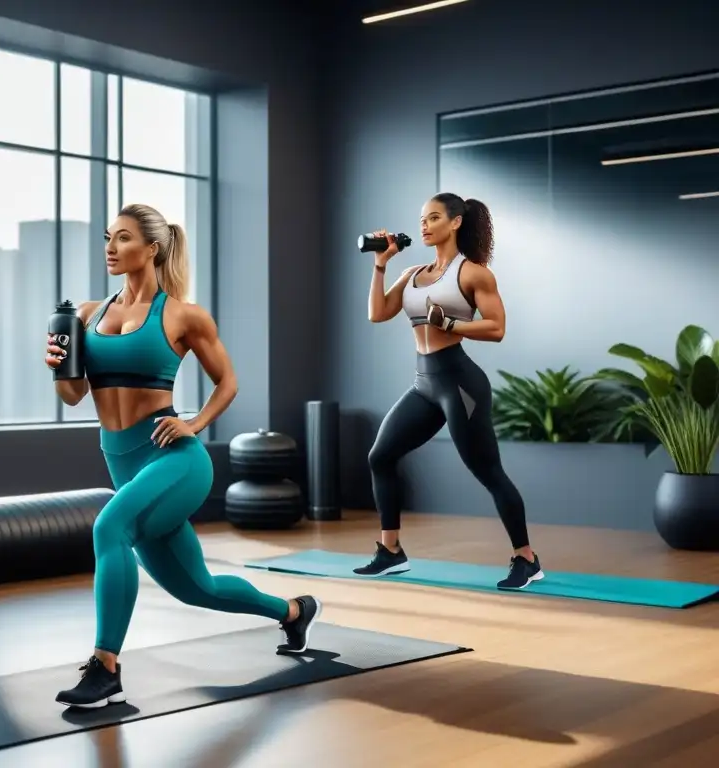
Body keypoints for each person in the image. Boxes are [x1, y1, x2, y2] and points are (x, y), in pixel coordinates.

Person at [46, 203, 321, 709]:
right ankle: (293, 611)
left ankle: (105, 668)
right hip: (123, 461)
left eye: (123, 238)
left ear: (151, 248)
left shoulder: (182, 315)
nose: (110, 246)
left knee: (109, 529)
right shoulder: (87, 315)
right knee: (197, 589)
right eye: (108, 237)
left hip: (176, 460)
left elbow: (228, 381)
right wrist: (59, 366)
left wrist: (193, 423)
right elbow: (73, 397)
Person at [356, 192, 543, 591]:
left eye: (433, 218)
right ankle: (390, 552)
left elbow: (496, 328)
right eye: (421, 218)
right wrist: (380, 265)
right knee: (380, 456)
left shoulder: (473, 273)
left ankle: (526, 559)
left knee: (488, 472)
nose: (424, 225)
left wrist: (453, 325)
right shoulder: (412, 273)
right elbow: (377, 313)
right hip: (424, 384)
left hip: (460, 383)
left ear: (455, 222)